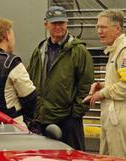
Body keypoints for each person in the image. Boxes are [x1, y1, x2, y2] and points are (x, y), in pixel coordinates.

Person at [27, 6, 94, 150]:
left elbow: (86, 85)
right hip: (42, 120)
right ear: (46, 24)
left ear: (67, 23)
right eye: (54, 23)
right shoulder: (39, 50)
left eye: (61, 23)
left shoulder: (78, 51)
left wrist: (74, 116)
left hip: (67, 122)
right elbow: (31, 80)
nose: (58, 27)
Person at [83, 9, 126, 159]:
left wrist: (101, 93)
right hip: (112, 117)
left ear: (117, 28)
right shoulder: (115, 49)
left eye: (103, 27)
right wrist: (102, 86)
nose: (99, 31)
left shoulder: (125, 49)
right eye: (97, 27)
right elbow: (118, 82)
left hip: (119, 117)